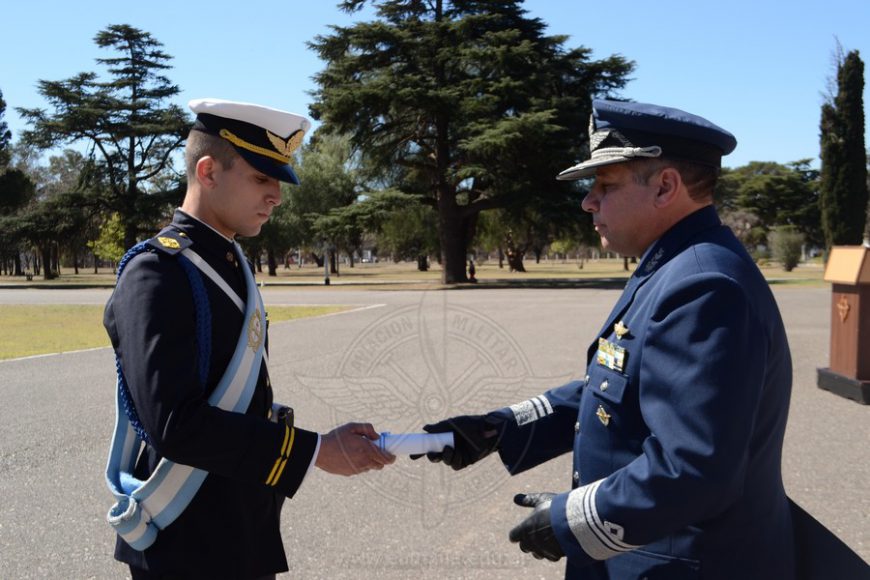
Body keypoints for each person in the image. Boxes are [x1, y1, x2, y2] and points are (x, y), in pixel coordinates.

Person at [419, 100, 796, 579]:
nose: (588, 201)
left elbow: (695, 467)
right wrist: (501, 427)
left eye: (605, 184)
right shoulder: (675, 265)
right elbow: (617, 386)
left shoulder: (704, 285)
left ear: (665, 186)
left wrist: (571, 520)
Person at [103, 98, 394, 579]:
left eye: (277, 180)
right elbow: (175, 425)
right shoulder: (156, 273)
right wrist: (315, 450)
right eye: (262, 178)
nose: (277, 195)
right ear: (208, 171)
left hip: (242, 529)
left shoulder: (231, 263)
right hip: (187, 546)